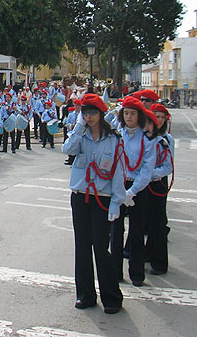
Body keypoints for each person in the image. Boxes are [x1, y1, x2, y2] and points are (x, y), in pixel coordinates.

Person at [61, 93, 125, 314]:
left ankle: (112, 296)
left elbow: (118, 172)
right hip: (80, 196)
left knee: (100, 246)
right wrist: (78, 127)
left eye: (92, 112)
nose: (88, 117)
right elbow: (67, 150)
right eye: (85, 113)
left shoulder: (114, 139)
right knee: (82, 246)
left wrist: (117, 201)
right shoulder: (81, 135)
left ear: (101, 113)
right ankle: (85, 295)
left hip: (103, 197)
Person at [110, 96, 156, 286]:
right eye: (126, 113)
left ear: (140, 116)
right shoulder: (117, 134)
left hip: (138, 188)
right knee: (115, 231)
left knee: (136, 232)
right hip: (118, 185)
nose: (129, 117)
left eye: (132, 113)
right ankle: (115, 272)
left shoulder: (147, 138)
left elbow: (147, 168)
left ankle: (136, 273)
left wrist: (133, 190)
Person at [145, 103, 174, 276]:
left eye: (162, 117)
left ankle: (159, 261)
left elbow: (168, 166)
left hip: (157, 181)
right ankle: (146, 253)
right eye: (156, 117)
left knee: (158, 221)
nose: (159, 120)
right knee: (144, 220)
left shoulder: (167, 139)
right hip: (143, 181)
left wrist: (150, 174)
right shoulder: (145, 136)